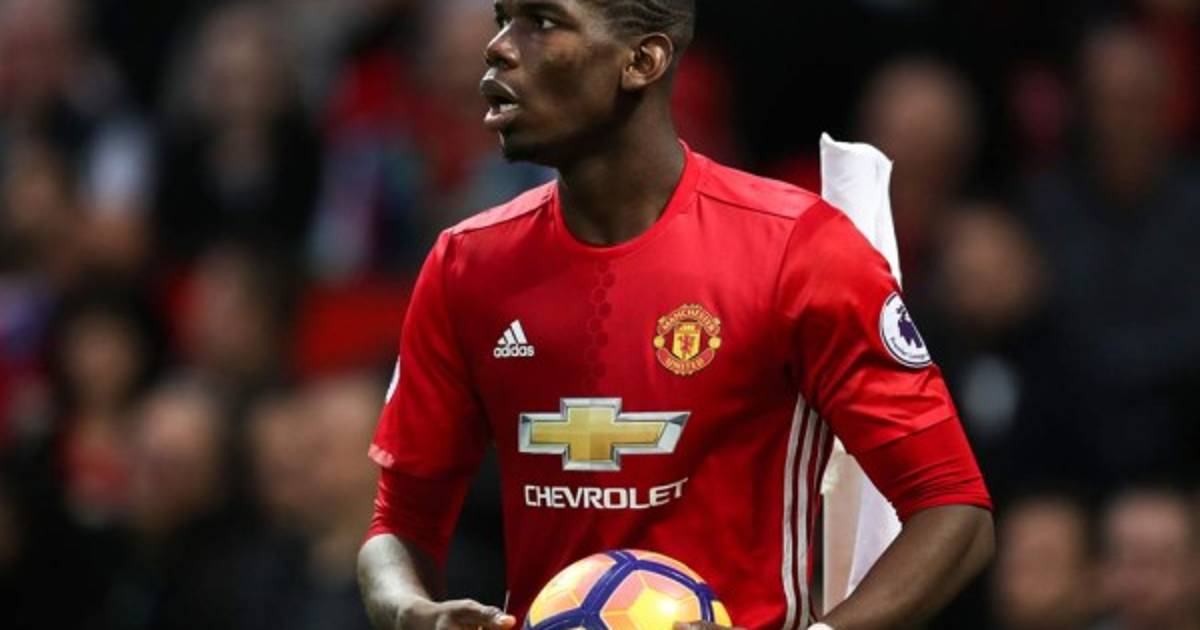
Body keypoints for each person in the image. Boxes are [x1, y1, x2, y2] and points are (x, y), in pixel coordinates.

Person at [357, 2, 994, 629]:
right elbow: (398, 528)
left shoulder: (796, 250)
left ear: (642, 61)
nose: (497, 46)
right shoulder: (466, 265)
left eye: (542, 23)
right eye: (503, 20)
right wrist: (411, 610)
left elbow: (954, 511)